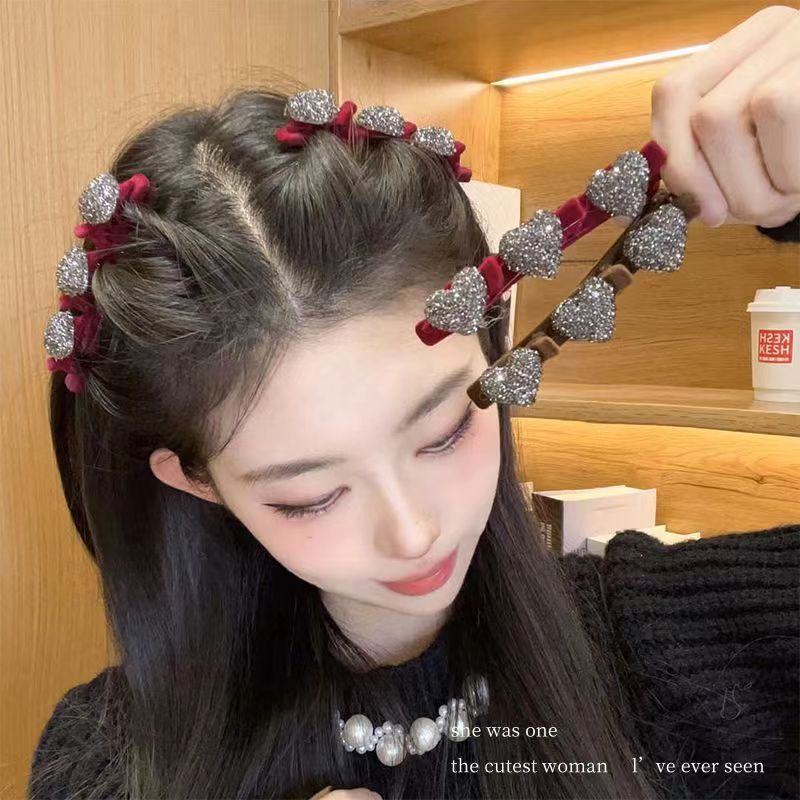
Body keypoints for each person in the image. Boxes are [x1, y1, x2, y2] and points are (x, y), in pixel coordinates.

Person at [27, 8, 800, 800]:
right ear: (196, 479)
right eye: (312, 496)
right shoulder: (108, 762)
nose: (413, 532)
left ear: (493, 350)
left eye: (443, 431)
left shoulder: (670, 644)